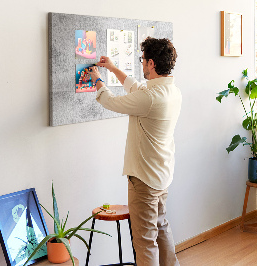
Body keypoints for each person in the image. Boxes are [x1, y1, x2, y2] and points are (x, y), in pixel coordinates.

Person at [86, 37, 181, 266]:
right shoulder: (172, 92)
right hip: (161, 175)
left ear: (150, 63)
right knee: (161, 229)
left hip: (144, 179)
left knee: (145, 241)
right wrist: (112, 68)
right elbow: (136, 87)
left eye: (142, 61)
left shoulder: (149, 98)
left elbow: (111, 101)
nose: (141, 65)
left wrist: (97, 79)